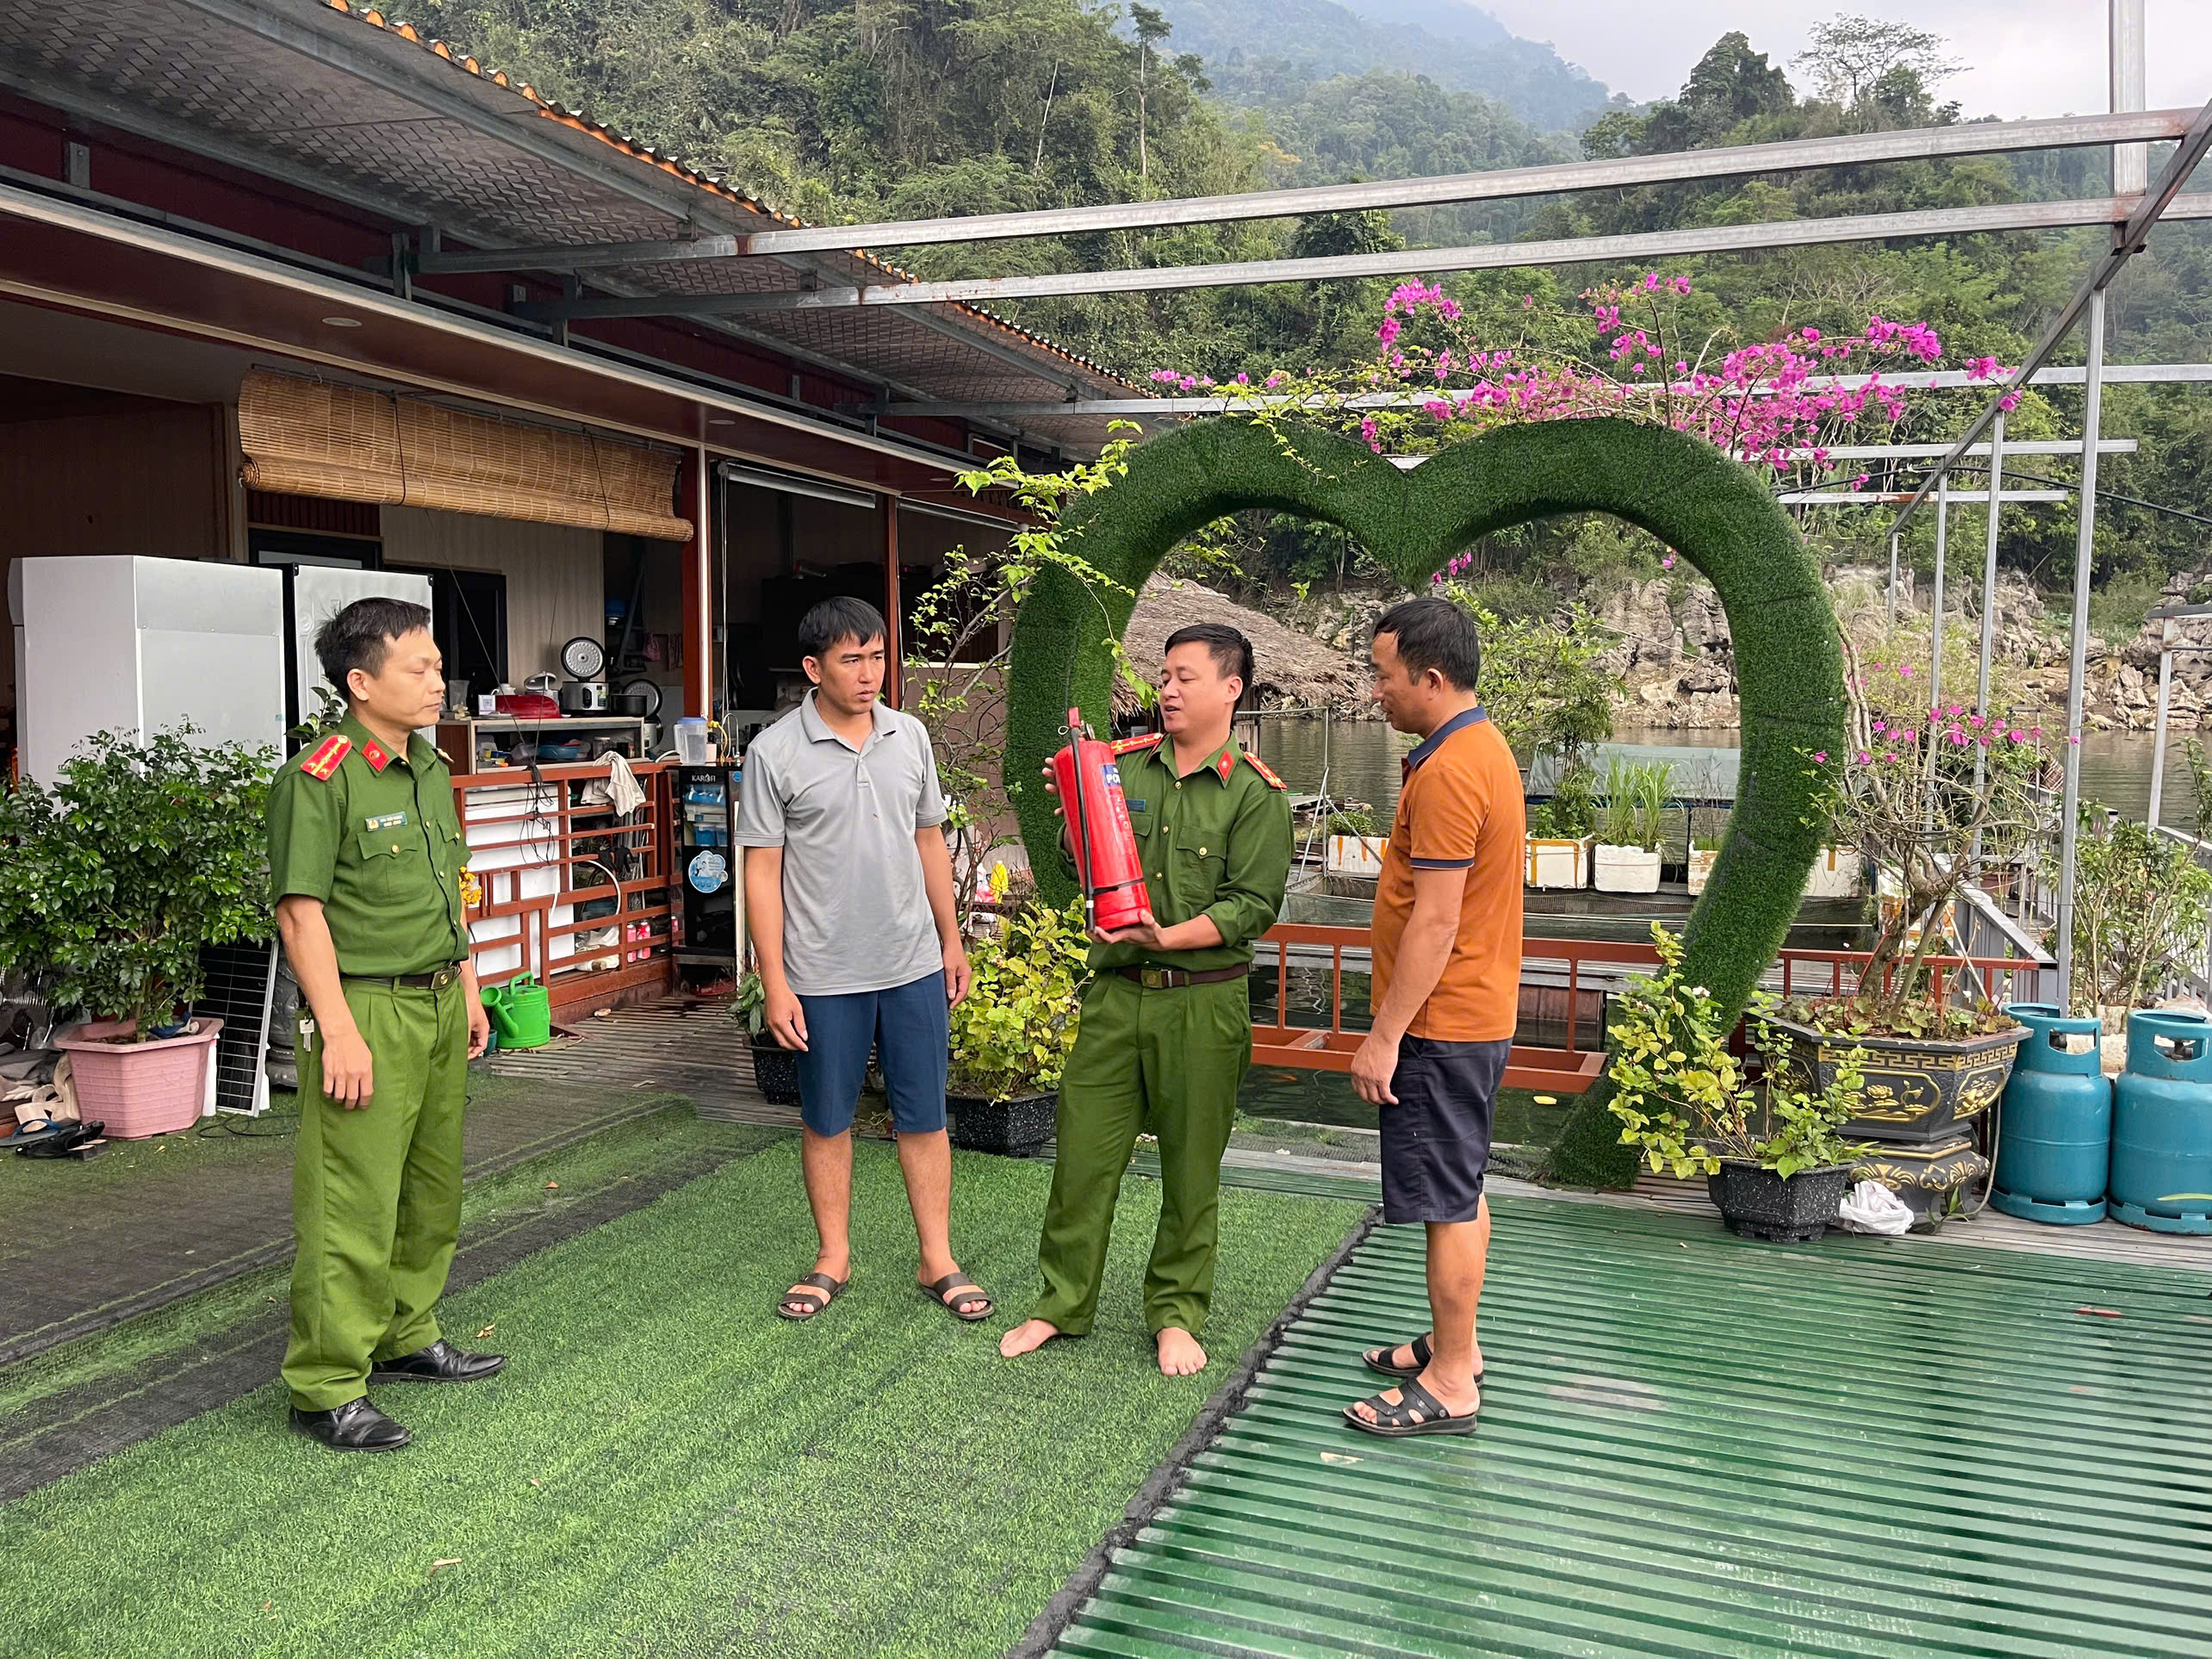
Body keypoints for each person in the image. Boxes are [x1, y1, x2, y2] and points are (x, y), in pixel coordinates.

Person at [1001, 623, 1293, 1377]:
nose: (1166, 688)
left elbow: (1251, 907)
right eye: (1163, 675)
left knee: (1192, 1170)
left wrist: (1174, 937)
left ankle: (1176, 1313)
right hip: (1115, 995)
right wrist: (1074, 810)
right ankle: (1061, 1304)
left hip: (1203, 1001)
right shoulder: (1122, 772)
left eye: (1184, 676)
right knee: (1081, 1158)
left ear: (1231, 689)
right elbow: (1086, 867)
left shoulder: (1255, 797)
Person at [268, 598, 499, 1453]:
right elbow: (301, 915)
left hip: (438, 999)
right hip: (365, 1005)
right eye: (419, 668)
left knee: (431, 1187)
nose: (438, 679)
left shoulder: (429, 770)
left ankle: (407, 1334)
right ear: (361, 683)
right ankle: (326, 1385)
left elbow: (451, 889)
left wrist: (470, 987)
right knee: (351, 1202)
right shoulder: (319, 777)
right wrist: (339, 1029)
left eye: (438, 665)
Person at [734, 598, 991, 1326]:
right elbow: (761, 873)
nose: (870, 673)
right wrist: (774, 980)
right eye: (852, 660)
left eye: (878, 657)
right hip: (822, 974)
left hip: (911, 962)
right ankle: (832, 1257)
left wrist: (951, 938)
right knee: (826, 1117)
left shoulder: (910, 737)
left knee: (926, 1114)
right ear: (814, 668)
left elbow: (930, 842)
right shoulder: (774, 753)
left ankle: (937, 1258)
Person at [1342, 597, 1523, 1438]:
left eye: (1383, 675)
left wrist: (1385, 1035)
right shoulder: (1476, 747)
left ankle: (1452, 1379)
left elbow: (1438, 921)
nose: (1376, 691)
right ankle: (1461, 1345)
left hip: (1442, 1025)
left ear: (1431, 677)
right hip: (1472, 1015)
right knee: (1464, 1185)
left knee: (1447, 1201)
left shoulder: (1452, 770)